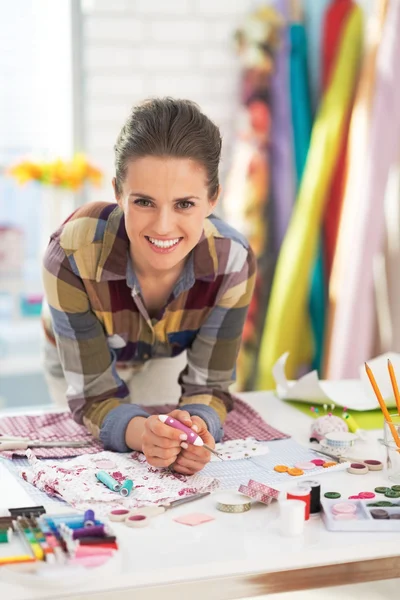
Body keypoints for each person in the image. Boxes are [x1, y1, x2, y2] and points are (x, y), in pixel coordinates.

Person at [42, 97, 256, 475]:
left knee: (168, 448)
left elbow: (210, 384)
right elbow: (93, 395)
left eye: (185, 204)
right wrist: (141, 435)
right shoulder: (72, 253)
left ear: (212, 199)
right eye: (143, 201)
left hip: (163, 355)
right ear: (118, 193)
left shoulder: (232, 263)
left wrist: (195, 429)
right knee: (93, 456)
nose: (162, 226)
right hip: (78, 358)